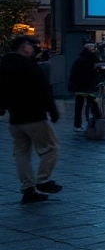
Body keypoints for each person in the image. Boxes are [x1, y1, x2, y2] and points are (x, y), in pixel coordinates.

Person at [0, 35, 62, 203]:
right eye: (32, 46)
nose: (34, 49)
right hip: (34, 116)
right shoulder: (31, 67)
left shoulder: (4, 65)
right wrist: (53, 111)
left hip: (15, 119)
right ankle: (43, 180)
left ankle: (27, 188)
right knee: (51, 148)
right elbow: (43, 91)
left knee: (21, 154)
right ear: (23, 47)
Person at [68, 42, 104, 129]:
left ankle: (77, 125)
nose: (95, 50)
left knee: (79, 106)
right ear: (89, 50)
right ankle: (98, 123)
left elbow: (73, 74)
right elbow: (94, 73)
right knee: (93, 104)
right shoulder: (92, 60)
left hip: (80, 87)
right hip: (89, 86)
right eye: (93, 49)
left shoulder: (79, 60)